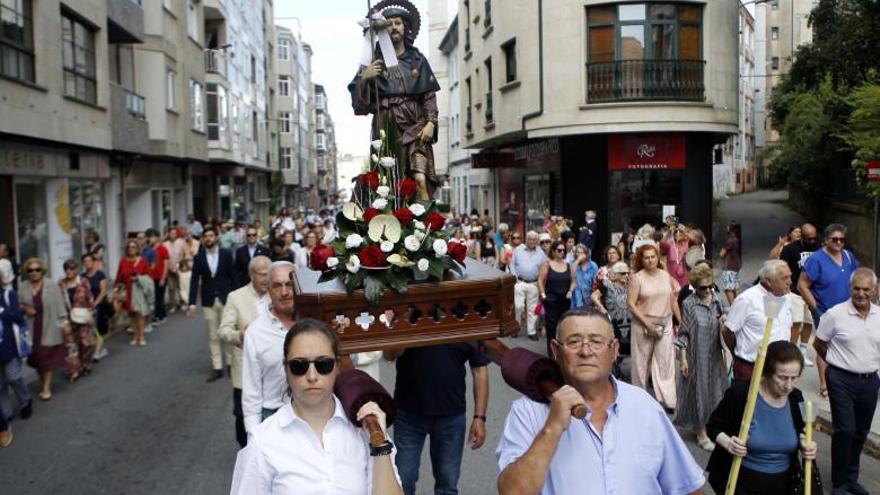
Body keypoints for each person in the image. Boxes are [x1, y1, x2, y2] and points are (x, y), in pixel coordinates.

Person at [496, 308, 705, 494]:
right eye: (574, 342)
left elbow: (686, 486)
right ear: (555, 350)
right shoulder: (528, 412)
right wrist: (551, 428)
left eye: (596, 342)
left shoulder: (644, 406)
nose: (586, 352)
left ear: (614, 350)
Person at [231, 318, 403, 494]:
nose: (312, 376)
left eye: (323, 365)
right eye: (299, 366)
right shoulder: (263, 442)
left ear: (337, 366)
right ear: (285, 368)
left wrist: (380, 444)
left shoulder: (364, 426)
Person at [349, 5, 440, 201]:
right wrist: (365, 78)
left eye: (398, 23)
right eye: (388, 24)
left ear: (406, 27)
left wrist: (431, 122)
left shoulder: (418, 60)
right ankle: (393, 224)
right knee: (388, 180)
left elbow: (429, 95)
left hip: (415, 125)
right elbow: (359, 106)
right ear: (382, 30)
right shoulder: (373, 62)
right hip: (386, 125)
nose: (394, 27)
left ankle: (424, 228)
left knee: (419, 179)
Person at [705, 341, 818, 494]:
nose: (789, 385)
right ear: (767, 372)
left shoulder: (796, 397)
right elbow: (713, 426)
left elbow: (801, 432)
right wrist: (728, 443)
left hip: (783, 484)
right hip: (741, 481)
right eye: (783, 377)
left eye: (794, 378)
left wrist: (806, 444)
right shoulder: (741, 394)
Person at [383, 341, 489, 495]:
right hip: (408, 415)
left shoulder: (467, 318)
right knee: (403, 480)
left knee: (447, 485)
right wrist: (407, 323)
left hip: (451, 417)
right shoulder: (405, 317)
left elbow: (479, 370)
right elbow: (389, 354)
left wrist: (480, 417)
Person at [813, 268, 880, 495]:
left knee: (861, 431)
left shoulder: (879, 316)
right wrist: (835, 363)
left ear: (875, 290)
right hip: (841, 379)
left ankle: (852, 478)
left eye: (866, 289)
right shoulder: (835, 314)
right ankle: (839, 483)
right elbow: (819, 343)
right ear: (850, 288)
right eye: (856, 288)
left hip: (870, 381)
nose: (861, 293)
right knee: (845, 430)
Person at [799, 223, 859, 398]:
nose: (839, 243)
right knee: (825, 345)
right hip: (826, 310)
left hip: (849, 309)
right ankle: (825, 384)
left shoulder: (848, 256)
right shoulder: (816, 259)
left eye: (842, 239)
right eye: (835, 239)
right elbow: (802, 285)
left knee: (848, 343)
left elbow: (858, 276)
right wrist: (815, 307)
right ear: (825, 240)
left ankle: (846, 380)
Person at [673, 263, 729, 451]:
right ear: (695, 287)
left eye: (710, 286)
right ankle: (701, 432)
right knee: (699, 391)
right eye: (702, 287)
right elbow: (684, 333)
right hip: (695, 354)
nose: (707, 290)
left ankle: (713, 425)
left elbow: (727, 317)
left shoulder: (717, 300)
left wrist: (724, 320)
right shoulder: (689, 303)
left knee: (716, 390)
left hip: (714, 353)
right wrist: (683, 359)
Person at [219, 256, 271, 448]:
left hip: (272, 369)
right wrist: (241, 335)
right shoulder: (236, 297)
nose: (267, 279)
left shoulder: (277, 294)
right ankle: (247, 453)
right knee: (243, 417)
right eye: (262, 275)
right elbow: (223, 332)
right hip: (245, 369)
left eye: (269, 274)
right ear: (251, 275)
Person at [242, 261, 297, 434]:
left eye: (290, 284)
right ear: (268, 290)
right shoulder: (255, 332)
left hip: (316, 419)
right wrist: (254, 438)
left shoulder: (317, 323)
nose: (284, 292)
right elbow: (251, 393)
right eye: (277, 286)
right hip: (273, 421)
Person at [627, 244, 681, 410]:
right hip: (643, 323)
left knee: (666, 362)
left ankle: (667, 399)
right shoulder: (637, 278)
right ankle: (639, 399)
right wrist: (647, 323)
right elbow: (631, 303)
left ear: (658, 258)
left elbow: (673, 300)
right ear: (641, 260)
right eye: (646, 257)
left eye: (653, 257)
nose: (650, 260)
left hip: (665, 323)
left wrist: (680, 321)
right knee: (640, 363)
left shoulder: (666, 276)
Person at [722, 259, 793, 381]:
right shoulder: (747, 299)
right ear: (769, 281)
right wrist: (737, 353)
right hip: (751, 368)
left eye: (790, 277)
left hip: (780, 368)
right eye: (784, 278)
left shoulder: (786, 297)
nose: (790, 282)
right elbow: (727, 330)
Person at [187, 227, 236, 382]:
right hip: (208, 301)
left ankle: (230, 364)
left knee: (227, 333)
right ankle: (217, 368)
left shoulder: (226, 255)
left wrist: (236, 299)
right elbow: (194, 280)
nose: (209, 238)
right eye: (206, 236)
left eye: (211, 235)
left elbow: (233, 277)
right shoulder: (199, 257)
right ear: (202, 239)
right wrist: (191, 303)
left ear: (216, 237)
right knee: (213, 335)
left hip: (226, 299)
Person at [20, 258, 68, 401]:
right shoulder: (23, 286)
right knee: (35, 358)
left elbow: (60, 307)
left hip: (49, 326)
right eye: (30, 270)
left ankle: (46, 388)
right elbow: (18, 304)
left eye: (37, 269)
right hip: (31, 327)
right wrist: (24, 308)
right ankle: (44, 383)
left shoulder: (51, 285)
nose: (34, 273)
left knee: (46, 357)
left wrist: (65, 326)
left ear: (42, 271)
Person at [780, 223, 819, 368]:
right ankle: (792, 350)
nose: (813, 241)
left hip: (813, 292)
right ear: (801, 237)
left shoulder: (819, 248)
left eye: (815, 238)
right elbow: (782, 266)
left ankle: (803, 350)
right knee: (796, 322)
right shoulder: (791, 249)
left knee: (808, 322)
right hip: (795, 292)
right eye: (809, 239)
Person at [0, 259, 32, 426]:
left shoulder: (8, 295)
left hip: (9, 346)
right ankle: (6, 414)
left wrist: (2, 311)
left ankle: (26, 400)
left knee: (14, 378)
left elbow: (18, 316)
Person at [591, 261, 632, 377]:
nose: (627, 276)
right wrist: (601, 307)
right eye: (623, 273)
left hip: (629, 320)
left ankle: (617, 366)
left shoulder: (630, 285)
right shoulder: (606, 285)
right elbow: (594, 296)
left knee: (628, 346)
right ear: (615, 274)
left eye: (628, 273)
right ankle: (614, 370)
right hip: (613, 320)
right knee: (614, 345)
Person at [59, 259, 94, 380]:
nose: (69, 271)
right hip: (68, 318)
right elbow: (58, 302)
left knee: (86, 343)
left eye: (72, 268)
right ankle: (74, 370)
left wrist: (91, 313)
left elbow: (90, 298)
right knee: (70, 345)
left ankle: (86, 363)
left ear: (76, 270)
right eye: (66, 268)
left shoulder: (83, 281)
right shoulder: (61, 284)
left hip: (83, 316)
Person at [538, 240, 575, 356]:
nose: (562, 252)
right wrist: (543, 294)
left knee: (563, 325)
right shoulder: (547, 265)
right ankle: (552, 352)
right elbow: (540, 280)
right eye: (559, 250)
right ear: (553, 251)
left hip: (565, 300)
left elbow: (573, 281)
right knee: (552, 326)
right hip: (551, 299)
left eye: (563, 250)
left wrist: (570, 291)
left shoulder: (568, 265)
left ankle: (562, 349)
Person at [510, 231, 547, 341]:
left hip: (533, 284)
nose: (532, 241)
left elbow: (543, 268)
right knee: (518, 306)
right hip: (520, 282)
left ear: (537, 241)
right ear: (526, 240)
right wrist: (514, 277)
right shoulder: (518, 250)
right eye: (530, 239)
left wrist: (540, 281)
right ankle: (516, 328)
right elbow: (512, 264)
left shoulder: (541, 253)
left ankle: (531, 331)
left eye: (534, 239)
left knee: (532, 309)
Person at [115, 240, 151, 347]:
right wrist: (116, 289)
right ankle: (135, 335)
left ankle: (141, 335)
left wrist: (138, 278)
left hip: (138, 290)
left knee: (139, 313)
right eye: (129, 247)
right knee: (131, 314)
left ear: (137, 249)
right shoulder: (123, 261)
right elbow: (119, 276)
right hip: (127, 290)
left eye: (134, 247)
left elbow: (148, 277)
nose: (131, 249)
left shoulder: (143, 261)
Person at [145, 228, 169, 326]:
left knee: (159, 297)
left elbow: (166, 264)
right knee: (154, 297)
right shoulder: (148, 249)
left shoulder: (163, 249)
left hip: (160, 276)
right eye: (148, 237)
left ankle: (161, 317)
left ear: (157, 237)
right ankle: (158, 315)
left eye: (151, 237)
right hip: (151, 277)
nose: (149, 239)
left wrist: (163, 278)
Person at [81, 253, 109, 336]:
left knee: (97, 327)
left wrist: (95, 303)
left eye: (89, 260)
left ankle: (99, 347)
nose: (87, 263)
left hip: (98, 305)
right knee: (88, 328)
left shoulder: (100, 274)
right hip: (86, 306)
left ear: (93, 262)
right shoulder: (82, 276)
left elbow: (103, 291)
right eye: (85, 261)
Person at [719, 221, 742, 304]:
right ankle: (738, 306)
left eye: (728, 226)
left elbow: (722, 253)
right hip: (736, 266)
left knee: (728, 288)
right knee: (735, 287)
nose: (726, 228)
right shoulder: (737, 239)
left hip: (729, 266)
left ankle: (733, 307)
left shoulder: (730, 240)